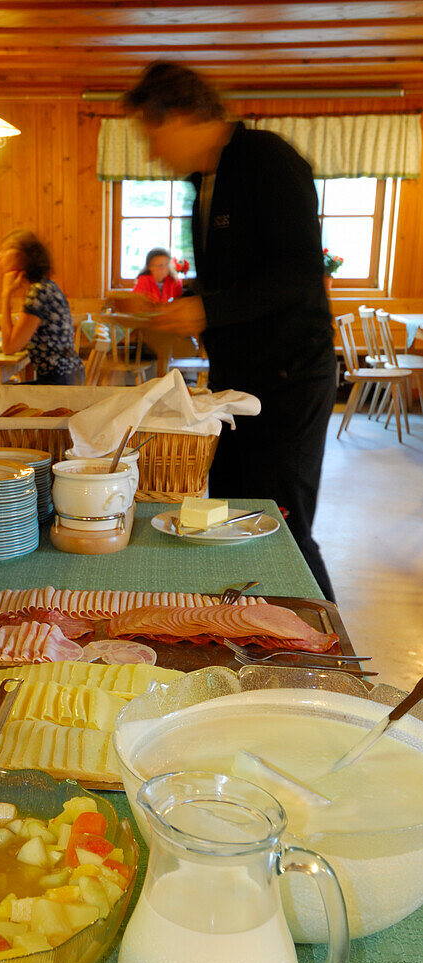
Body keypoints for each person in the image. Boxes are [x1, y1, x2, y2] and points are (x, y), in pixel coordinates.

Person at [123, 62, 337, 601]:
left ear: (183, 115)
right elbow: (238, 281)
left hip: (288, 379)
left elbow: (299, 273)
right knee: (225, 518)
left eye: (152, 135)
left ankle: (332, 659)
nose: (152, 152)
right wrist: (187, 305)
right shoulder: (206, 184)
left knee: (279, 524)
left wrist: (205, 311)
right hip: (239, 380)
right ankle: (243, 631)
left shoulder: (266, 159)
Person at [0, 230, 84, 385]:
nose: (0, 256)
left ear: (23, 256)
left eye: (6, 249)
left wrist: (6, 295)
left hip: (59, 383)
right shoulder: (45, 287)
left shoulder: (38, 292)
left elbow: (9, 347)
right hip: (67, 377)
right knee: (2, 392)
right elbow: (13, 343)